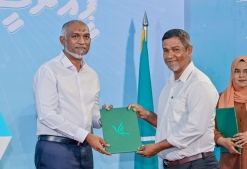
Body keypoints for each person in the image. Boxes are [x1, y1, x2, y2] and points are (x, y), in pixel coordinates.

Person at [128, 29, 220, 169]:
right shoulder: (170, 84)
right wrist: (146, 115)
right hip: (173, 165)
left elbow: (194, 129)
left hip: (197, 164)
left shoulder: (199, 84)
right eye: (166, 50)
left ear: (189, 50)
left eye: (175, 50)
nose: (169, 56)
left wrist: (158, 147)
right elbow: (171, 124)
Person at [33, 20, 111, 169]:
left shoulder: (92, 75)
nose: (82, 41)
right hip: (56, 149)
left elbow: (92, 114)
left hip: (85, 150)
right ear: (63, 40)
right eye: (75, 36)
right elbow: (47, 115)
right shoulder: (48, 70)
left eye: (86, 36)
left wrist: (103, 119)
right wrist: (86, 135)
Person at [214, 56, 247, 169]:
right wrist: (222, 141)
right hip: (229, 162)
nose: (241, 75)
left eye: (246, 71)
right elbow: (210, 128)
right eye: (237, 71)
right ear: (232, 73)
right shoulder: (221, 98)